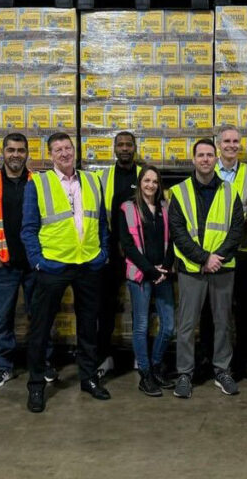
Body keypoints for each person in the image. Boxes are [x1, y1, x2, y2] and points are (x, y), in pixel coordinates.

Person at [22, 132, 110, 413]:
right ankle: (36, 385)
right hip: (53, 266)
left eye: (68, 148)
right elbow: (28, 228)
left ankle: (88, 378)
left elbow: (103, 223)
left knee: (88, 327)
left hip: (88, 265)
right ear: (50, 155)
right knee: (40, 328)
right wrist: (38, 262)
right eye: (58, 150)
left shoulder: (93, 181)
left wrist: (103, 254)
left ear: (75, 150)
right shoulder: (38, 183)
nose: (64, 153)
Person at [0, 133, 55, 388]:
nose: (15, 155)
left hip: (33, 264)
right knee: (1, 318)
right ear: (3, 152)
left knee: (39, 316)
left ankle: (42, 364)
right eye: (11, 150)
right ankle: (3, 366)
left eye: (20, 150)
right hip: (3, 265)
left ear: (27, 153)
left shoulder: (39, 183)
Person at [169, 138, 245, 399]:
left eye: (209, 155)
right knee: (187, 324)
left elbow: (237, 230)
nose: (205, 159)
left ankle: (222, 370)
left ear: (216, 159)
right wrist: (203, 258)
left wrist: (218, 257)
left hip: (223, 268)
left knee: (223, 322)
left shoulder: (230, 191)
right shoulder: (178, 192)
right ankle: (184, 374)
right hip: (192, 268)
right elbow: (178, 232)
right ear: (194, 159)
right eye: (200, 155)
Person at [207, 124, 247, 381]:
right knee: (210, 305)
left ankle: (244, 359)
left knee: (242, 305)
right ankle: (209, 357)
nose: (231, 145)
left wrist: (234, 241)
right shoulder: (207, 169)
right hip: (210, 251)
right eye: (226, 141)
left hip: (241, 250)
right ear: (219, 145)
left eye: (235, 141)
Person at [119, 166, 176, 396]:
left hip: (163, 274)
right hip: (141, 276)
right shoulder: (128, 208)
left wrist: (166, 268)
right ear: (140, 183)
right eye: (147, 180)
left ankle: (155, 365)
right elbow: (128, 246)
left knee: (169, 325)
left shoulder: (165, 207)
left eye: (155, 181)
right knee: (141, 327)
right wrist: (151, 271)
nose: (151, 185)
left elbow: (173, 239)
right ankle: (145, 374)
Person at [97, 131, 142, 378]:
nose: (125, 148)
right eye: (120, 144)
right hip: (111, 252)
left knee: (141, 306)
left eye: (129, 144)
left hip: (138, 251)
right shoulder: (103, 177)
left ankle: (140, 356)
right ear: (114, 148)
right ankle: (105, 357)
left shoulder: (145, 175)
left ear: (135, 148)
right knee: (105, 306)